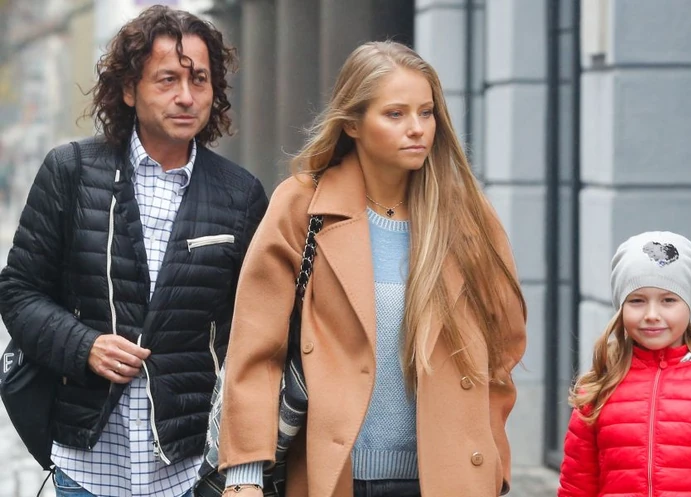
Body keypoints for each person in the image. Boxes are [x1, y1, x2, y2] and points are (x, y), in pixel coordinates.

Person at [215, 40, 527, 497]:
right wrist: (244, 475)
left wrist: (492, 460)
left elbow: (502, 350)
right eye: (395, 114)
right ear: (353, 123)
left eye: (426, 112)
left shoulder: (468, 217)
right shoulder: (303, 206)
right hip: (333, 474)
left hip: (446, 477)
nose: (417, 129)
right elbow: (256, 346)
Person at [0, 6, 268, 497]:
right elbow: (18, 292)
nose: (185, 96)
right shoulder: (71, 171)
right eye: (167, 80)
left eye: (200, 80)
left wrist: (245, 467)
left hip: (190, 466)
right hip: (88, 465)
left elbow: (257, 333)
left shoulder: (241, 195)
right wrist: (84, 346)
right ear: (129, 89)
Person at [558, 231, 691, 496]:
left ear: (690, 304)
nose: (652, 315)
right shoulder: (599, 387)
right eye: (637, 301)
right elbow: (576, 484)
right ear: (621, 308)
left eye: (668, 300)